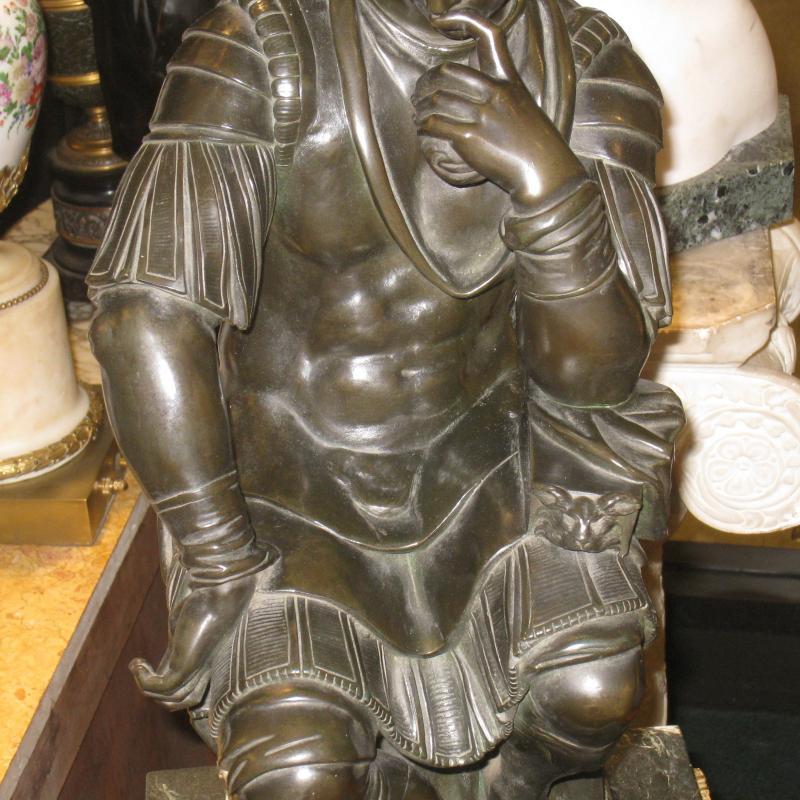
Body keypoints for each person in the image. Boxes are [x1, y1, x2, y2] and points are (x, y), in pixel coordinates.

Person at [88, 0, 683, 797]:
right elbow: (143, 316)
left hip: (494, 474)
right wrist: (219, 553)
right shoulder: (265, 46)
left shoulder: (585, 59)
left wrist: (547, 183)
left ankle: (510, 786)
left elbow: (597, 374)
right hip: (293, 496)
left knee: (593, 691)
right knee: (300, 775)